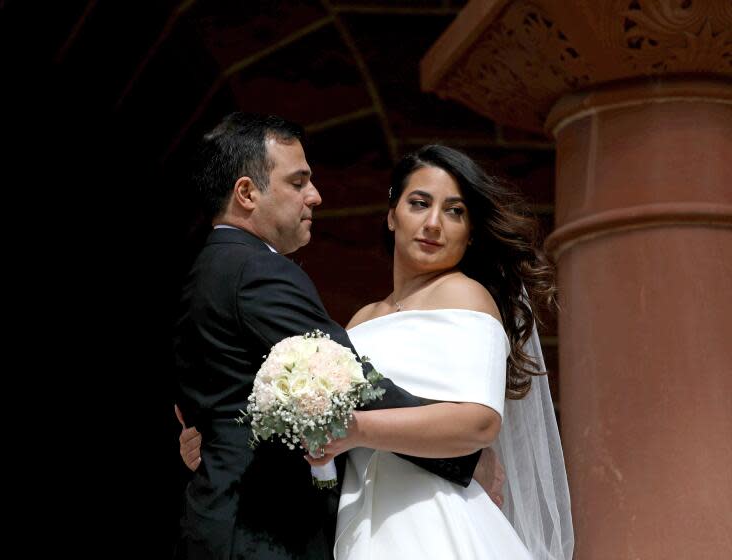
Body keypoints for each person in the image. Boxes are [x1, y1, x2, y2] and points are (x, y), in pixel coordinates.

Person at [173, 114, 494, 560]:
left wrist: (216, 433)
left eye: (455, 210)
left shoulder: (210, 267)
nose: (316, 196)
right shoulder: (255, 270)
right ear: (247, 193)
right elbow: (349, 384)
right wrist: (458, 447)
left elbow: (232, 395)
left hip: (339, 516)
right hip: (258, 533)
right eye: (298, 182)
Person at [305, 145, 573, 559]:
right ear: (392, 214)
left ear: (470, 234)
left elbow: (478, 424)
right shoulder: (361, 319)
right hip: (360, 517)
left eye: (454, 211)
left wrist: (356, 429)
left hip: (433, 520)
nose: (434, 223)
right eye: (419, 203)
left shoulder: (464, 295)